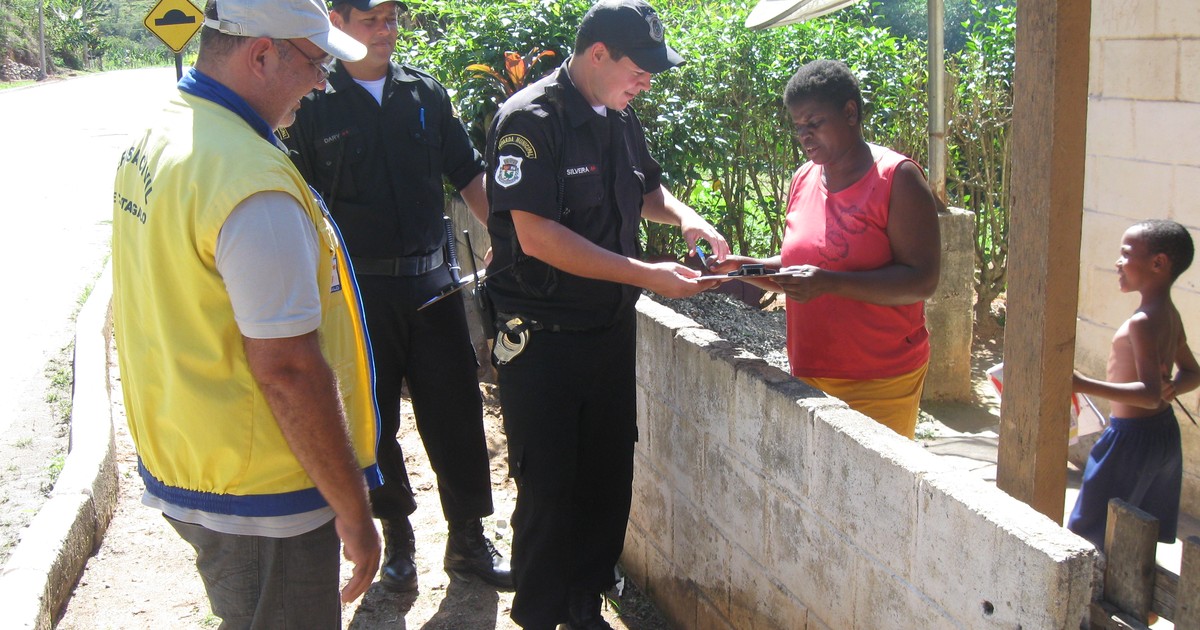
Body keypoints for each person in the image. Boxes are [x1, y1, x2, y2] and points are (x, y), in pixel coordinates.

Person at [111, 0, 381, 626]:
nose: (321, 85)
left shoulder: (163, 132)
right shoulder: (250, 180)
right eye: (315, 64)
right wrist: (354, 511)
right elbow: (287, 368)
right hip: (265, 492)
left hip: (195, 454)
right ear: (262, 54)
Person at [483, 1, 729, 627]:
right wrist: (645, 275)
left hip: (608, 330)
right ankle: (540, 612)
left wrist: (686, 216)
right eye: (638, 68)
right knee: (547, 486)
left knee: (608, 474)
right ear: (597, 55)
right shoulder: (530, 121)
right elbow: (536, 236)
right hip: (542, 338)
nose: (647, 81)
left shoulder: (620, 116)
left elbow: (647, 192)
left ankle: (584, 602)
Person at [279, 0, 511, 592]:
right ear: (337, 21)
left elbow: (469, 176)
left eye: (391, 19)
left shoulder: (424, 95)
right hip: (358, 294)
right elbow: (297, 202)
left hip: (433, 285)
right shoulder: (314, 102)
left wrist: (510, 244)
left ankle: (467, 540)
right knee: (371, 419)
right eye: (370, 20)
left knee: (455, 412)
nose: (385, 31)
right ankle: (397, 540)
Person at [711, 59, 941, 439]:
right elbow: (803, 267)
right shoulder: (803, 178)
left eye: (814, 123)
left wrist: (829, 283)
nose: (804, 135)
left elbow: (922, 280)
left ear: (850, 113)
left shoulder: (896, 179)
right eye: (798, 127)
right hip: (808, 370)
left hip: (880, 377)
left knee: (872, 494)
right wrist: (741, 268)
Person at [1067, 219, 1199, 550]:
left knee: (1091, 531)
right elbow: (1193, 374)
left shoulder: (1142, 323)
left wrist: (1081, 383)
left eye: (1125, 254)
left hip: (1130, 442)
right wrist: (1174, 389)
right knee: (1135, 532)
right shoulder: (1168, 314)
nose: (1118, 262)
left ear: (1158, 263)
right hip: (1162, 436)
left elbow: (1149, 395)